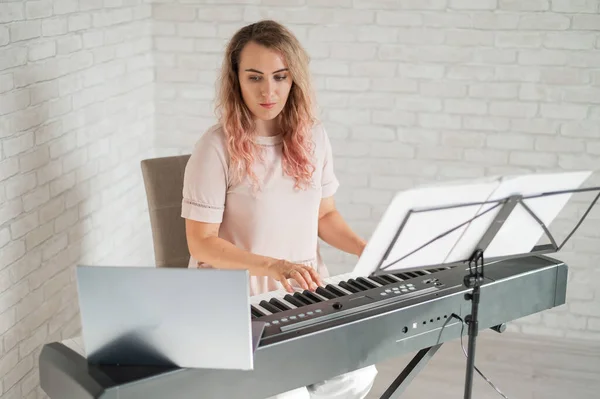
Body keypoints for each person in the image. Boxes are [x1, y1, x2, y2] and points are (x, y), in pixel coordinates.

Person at [181, 20, 377, 399]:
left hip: (303, 291)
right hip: (235, 298)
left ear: (294, 80)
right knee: (287, 395)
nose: (268, 90)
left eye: (279, 76)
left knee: (357, 374)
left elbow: (324, 216)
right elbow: (201, 244)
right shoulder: (215, 147)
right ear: (236, 80)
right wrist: (274, 266)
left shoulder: (314, 137)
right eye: (254, 77)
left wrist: (365, 248)